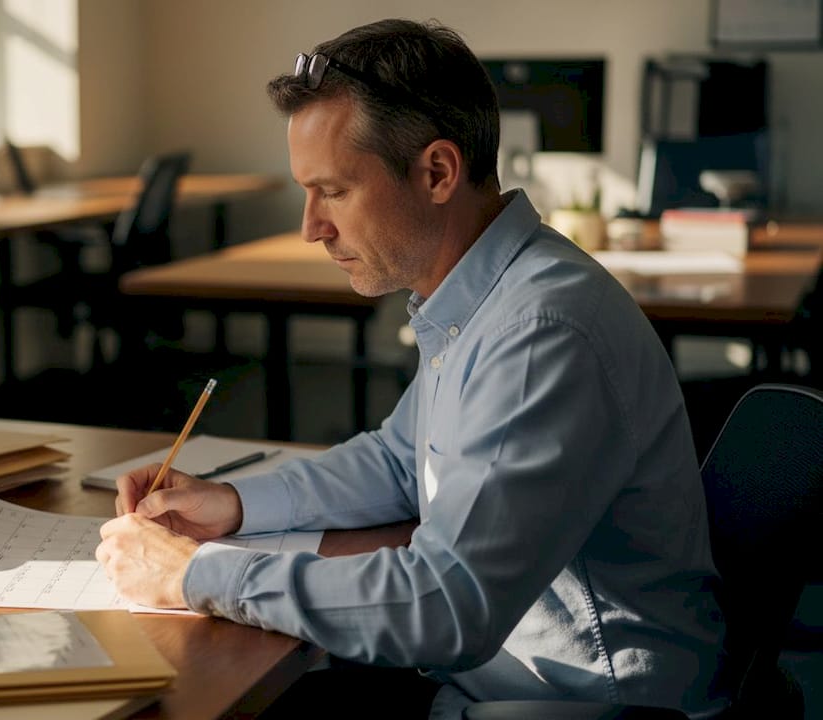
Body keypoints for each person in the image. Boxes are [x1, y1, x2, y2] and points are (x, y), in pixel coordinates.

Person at [95, 18, 728, 719]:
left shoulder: (540, 333)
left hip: (584, 702)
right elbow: (403, 464)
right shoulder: (485, 292)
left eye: (332, 191)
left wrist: (198, 575)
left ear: (436, 173)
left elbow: (448, 606)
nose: (311, 226)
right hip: (510, 675)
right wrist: (235, 505)